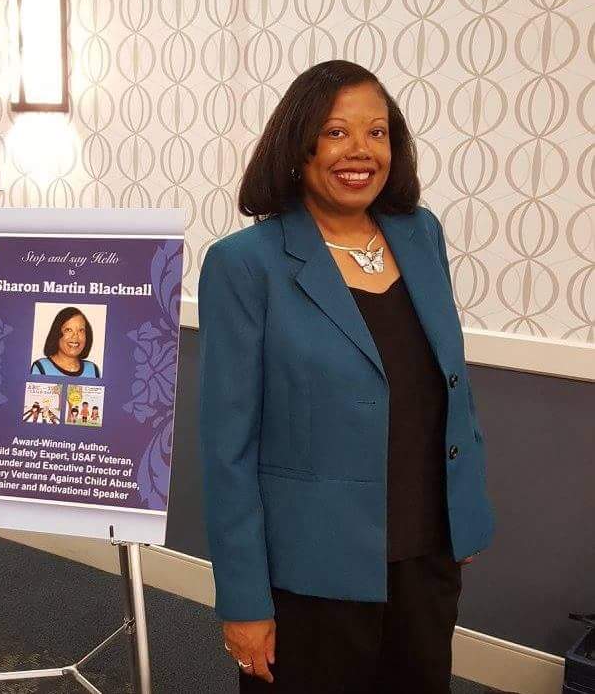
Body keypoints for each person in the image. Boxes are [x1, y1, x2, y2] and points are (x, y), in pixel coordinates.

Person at [198, 60, 495, 694]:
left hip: (425, 556)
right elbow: (228, 451)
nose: (360, 151)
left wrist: (462, 507)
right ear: (298, 145)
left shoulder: (421, 235)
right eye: (336, 132)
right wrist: (244, 600)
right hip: (310, 573)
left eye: (377, 132)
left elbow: (445, 381)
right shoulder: (245, 265)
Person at [31, 307, 100, 378]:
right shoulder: (41, 368)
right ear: (56, 333)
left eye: (81, 330)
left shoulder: (93, 370)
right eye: (68, 330)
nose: (75, 336)